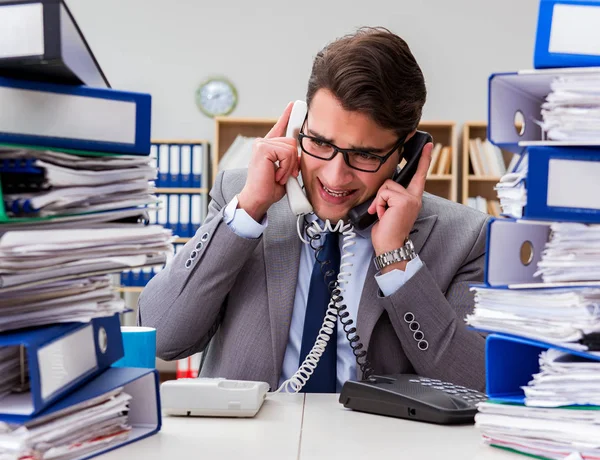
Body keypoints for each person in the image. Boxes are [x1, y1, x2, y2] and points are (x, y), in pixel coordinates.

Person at [138, 26, 490, 393]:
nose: (335, 175)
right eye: (320, 143)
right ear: (297, 126)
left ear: (407, 153)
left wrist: (396, 261)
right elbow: (163, 339)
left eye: (365, 154)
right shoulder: (238, 195)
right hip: (244, 447)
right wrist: (248, 210)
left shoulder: (465, 237)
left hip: (381, 449)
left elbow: (475, 385)